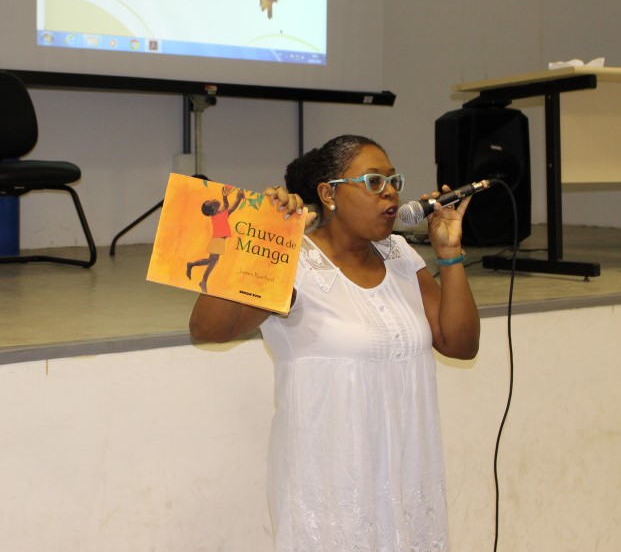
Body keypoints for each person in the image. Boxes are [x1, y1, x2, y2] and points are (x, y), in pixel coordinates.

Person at [189, 134, 480, 551]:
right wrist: (264, 236)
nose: (390, 192)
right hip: (331, 489)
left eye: (393, 181)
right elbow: (208, 328)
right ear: (329, 194)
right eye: (374, 182)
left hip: (406, 474)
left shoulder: (400, 255)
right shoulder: (296, 262)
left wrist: (450, 255)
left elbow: (461, 344)